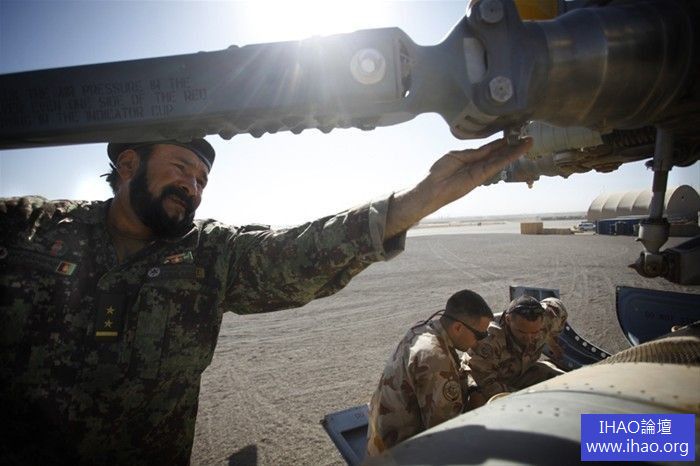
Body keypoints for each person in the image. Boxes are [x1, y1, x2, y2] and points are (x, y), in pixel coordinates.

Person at [0, 136, 531, 464]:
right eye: (181, 168)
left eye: (202, 179)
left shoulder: (209, 253)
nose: (193, 187)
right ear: (128, 163)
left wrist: (418, 201)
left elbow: (297, 254)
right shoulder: (28, 227)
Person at [366, 289, 494, 456]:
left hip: (383, 441)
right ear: (457, 328)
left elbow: (457, 372)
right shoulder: (435, 358)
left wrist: (473, 389)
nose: (478, 343)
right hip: (397, 455)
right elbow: (446, 434)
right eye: (480, 335)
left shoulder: (426, 330)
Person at [466, 295, 568, 409]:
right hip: (490, 383)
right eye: (522, 332)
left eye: (535, 332)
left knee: (570, 383)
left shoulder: (549, 316)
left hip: (522, 372)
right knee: (478, 399)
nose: (529, 338)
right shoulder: (487, 340)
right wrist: (530, 397)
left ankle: (586, 421)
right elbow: (487, 386)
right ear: (508, 320)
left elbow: (557, 307)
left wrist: (552, 342)